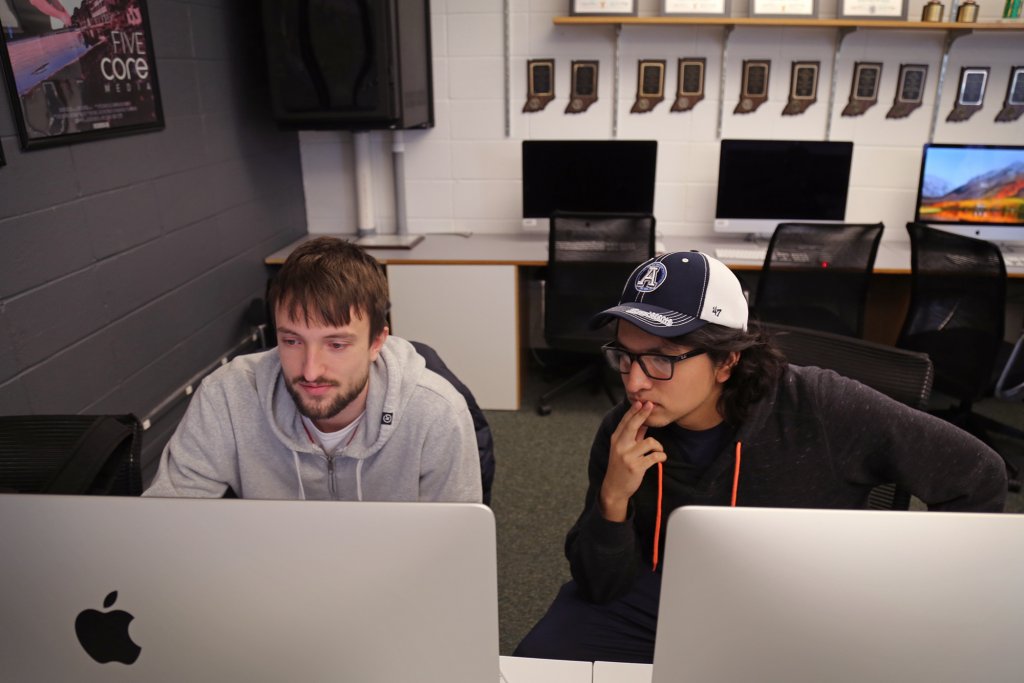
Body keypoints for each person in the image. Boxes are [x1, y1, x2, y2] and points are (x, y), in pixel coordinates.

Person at [514, 250, 1007, 663]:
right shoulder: (624, 430)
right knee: (538, 663)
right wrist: (613, 500)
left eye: (662, 358)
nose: (635, 380)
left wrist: (907, 598)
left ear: (728, 360)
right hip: (664, 592)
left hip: (800, 604)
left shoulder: (822, 405)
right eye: (625, 355)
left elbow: (979, 475)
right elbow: (601, 586)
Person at [144, 237, 482, 502]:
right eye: (292, 341)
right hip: (270, 576)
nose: (309, 370)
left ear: (377, 343)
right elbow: (168, 521)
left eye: (336, 344)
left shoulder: (436, 413)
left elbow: (452, 545)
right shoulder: (227, 397)